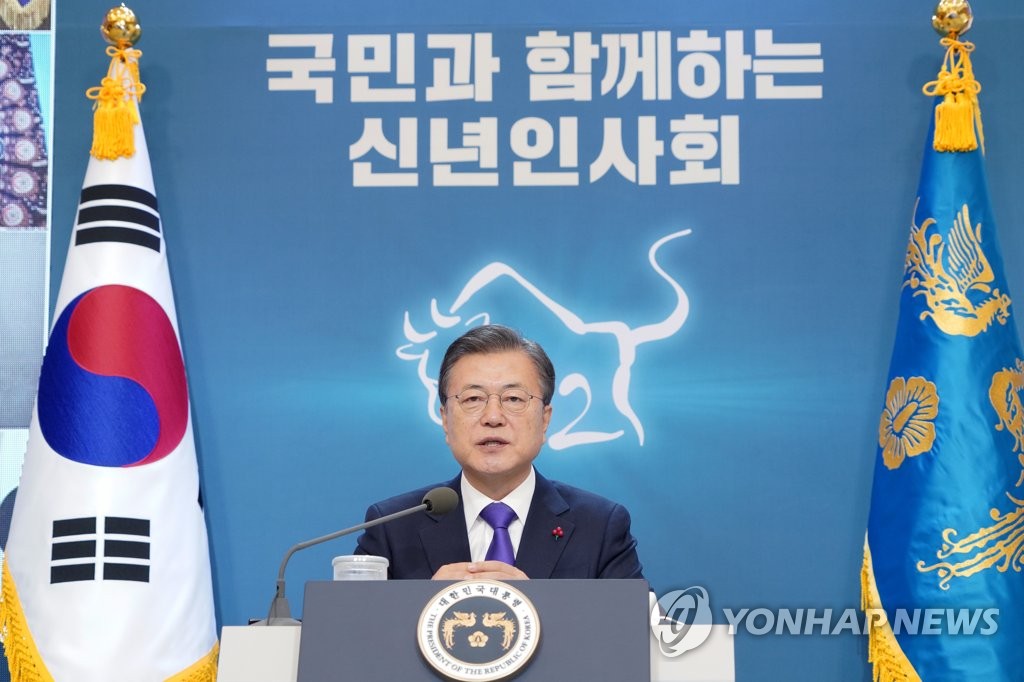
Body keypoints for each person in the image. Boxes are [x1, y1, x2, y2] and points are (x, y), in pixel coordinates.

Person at [355, 324, 643, 581]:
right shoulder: (392, 527)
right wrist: (424, 605)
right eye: (473, 398)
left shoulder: (600, 527)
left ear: (545, 420)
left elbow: (635, 623)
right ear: (445, 419)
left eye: (514, 398)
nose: (493, 417)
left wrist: (537, 606)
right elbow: (352, 622)